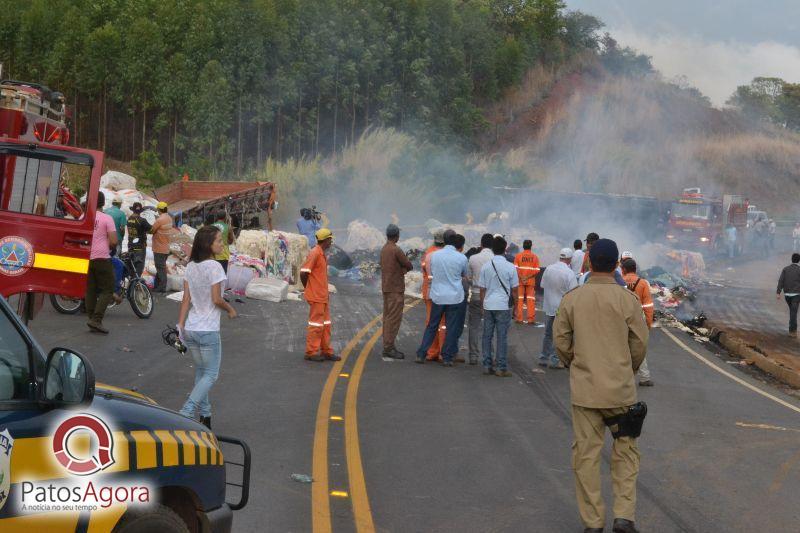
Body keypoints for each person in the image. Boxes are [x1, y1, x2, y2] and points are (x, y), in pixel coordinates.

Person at [554, 238, 649, 533]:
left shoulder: (573, 299)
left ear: (589, 263)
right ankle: (623, 517)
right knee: (626, 452)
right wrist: (627, 370)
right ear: (617, 264)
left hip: (586, 393)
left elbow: (561, 341)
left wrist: (577, 365)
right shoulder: (628, 300)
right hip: (621, 391)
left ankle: (593, 523)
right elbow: (640, 343)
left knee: (586, 457)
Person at [177, 225, 237, 429]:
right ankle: (186, 411)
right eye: (219, 240)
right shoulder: (215, 267)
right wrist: (230, 310)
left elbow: (186, 299)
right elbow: (217, 299)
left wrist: (181, 325)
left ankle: (205, 416)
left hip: (191, 328)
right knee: (211, 375)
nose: (222, 243)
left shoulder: (191, 266)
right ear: (208, 245)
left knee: (201, 373)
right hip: (208, 329)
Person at [416, 230, 468, 367]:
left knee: (432, 325)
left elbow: (429, 273)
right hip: (454, 297)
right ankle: (447, 357)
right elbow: (465, 275)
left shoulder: (433, 256)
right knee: (451, 328)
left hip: (437, 296)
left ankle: (422, 354)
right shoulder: (461, 258)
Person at [477, 236, 518, 377]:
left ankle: (487, 365)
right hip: (503, 306)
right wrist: (516, 307)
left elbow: (482, 289)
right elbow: (514, 290)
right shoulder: (510, 267)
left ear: (492, 249)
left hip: (488, 305)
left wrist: (483, 305)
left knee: (486, 336)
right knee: (502, 337)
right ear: (505, 249)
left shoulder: (486, 266)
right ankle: (501, 367)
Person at [301, 228, 341, 361]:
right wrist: (308, 288)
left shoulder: (321, 253)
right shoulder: (315, 253)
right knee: (316, 325)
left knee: (325, 325)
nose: (331, 242)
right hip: (317, 296)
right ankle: (311, 352)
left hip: (323, 296)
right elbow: (304, 272)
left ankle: (326, 350)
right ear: (326, 240)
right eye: (330, 239)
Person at [85, 191, 118, 334]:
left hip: (86, 257)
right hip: (101, 258)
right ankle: (96, 320)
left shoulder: (84, 217)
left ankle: (92, 318)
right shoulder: (106, 218)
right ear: (103, 203)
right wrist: (111, 247)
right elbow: (113, 241)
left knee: (90, 290)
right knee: (107, 289)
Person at [539, 248, 577, 369]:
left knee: (548, 333)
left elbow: (542, 285)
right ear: (570, 259)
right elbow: (574, 292)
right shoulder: (569, 273)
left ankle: (544, 358)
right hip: (561, 308)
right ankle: (556, 360)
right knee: (560, 334)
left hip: (549, 306)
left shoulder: (549, 269)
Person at [380, 224, 413, 359]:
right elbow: (409, 265)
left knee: (388, 318)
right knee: (394, 319)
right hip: (395, 289)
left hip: (386, 288)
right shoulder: (396, 249)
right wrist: (404, 269)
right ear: (397, 236)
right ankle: (388, 347)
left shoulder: (384, 249)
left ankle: (388, 345)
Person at [621, 258, 655, 386]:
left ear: (623, 269)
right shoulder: (643, 283)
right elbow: (648, 305)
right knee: (638, 347)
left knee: (620, 347)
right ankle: (644, 377)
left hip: (621, 317)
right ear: (635, 269)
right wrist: (648, 323)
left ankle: (620, 377)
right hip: (637, 319)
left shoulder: (620, 281)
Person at [467, 233, 494, 365]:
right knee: (490, 328)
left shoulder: (473, 258)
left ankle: (473, 356)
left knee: (474, 327)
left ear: (481, 244)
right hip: (491, 297)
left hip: (476, 294)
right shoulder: (496, 259)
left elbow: (468, 278)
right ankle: (489, 356)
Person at [421, 229, 446, 361]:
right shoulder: (446, 254)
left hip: (429, 291)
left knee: (431, 322)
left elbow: (424, 269)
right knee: (443, 323)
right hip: (442, 292)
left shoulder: (428, 252)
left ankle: (431, 352)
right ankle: (443, 352)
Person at [514, 240, 541, 324]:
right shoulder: (535, 257)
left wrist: (522, 277)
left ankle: (519, 319)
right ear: (531, 246)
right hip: (530, 281)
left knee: (520, 300)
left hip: (520, 281)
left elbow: (515, 268)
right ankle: (530, 319)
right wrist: (528, 277)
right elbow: (537, 270)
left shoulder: (518, 256)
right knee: (530, 300)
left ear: (523, 246)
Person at [150, 202, 174, 293]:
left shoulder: (160, 220)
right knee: (160, 267)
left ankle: (162, 287)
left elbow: (152, 230)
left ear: (159, 210)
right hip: (166, 247)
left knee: (160, 268)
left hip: (159, 248)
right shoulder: (169, 218)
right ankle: (157, 285)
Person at [776, 253, 800, 338]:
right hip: (796, 295)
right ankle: (792, 331)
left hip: (787, 295)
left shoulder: (785, 269)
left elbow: (781, 281)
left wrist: (778, 292)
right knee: (793, 312)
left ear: (791, 259)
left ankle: (792, 329)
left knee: (792, 311)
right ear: (799, 260)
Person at [126, 202, 151, 277]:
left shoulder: (129, 219)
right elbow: (151, 229)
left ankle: (131, 283)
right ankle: (136, 283)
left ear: (133, 210)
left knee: (132, 266)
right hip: (140, 247)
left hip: (131, 246)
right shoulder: (142, 220)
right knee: (139, 267)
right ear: (140, 211)